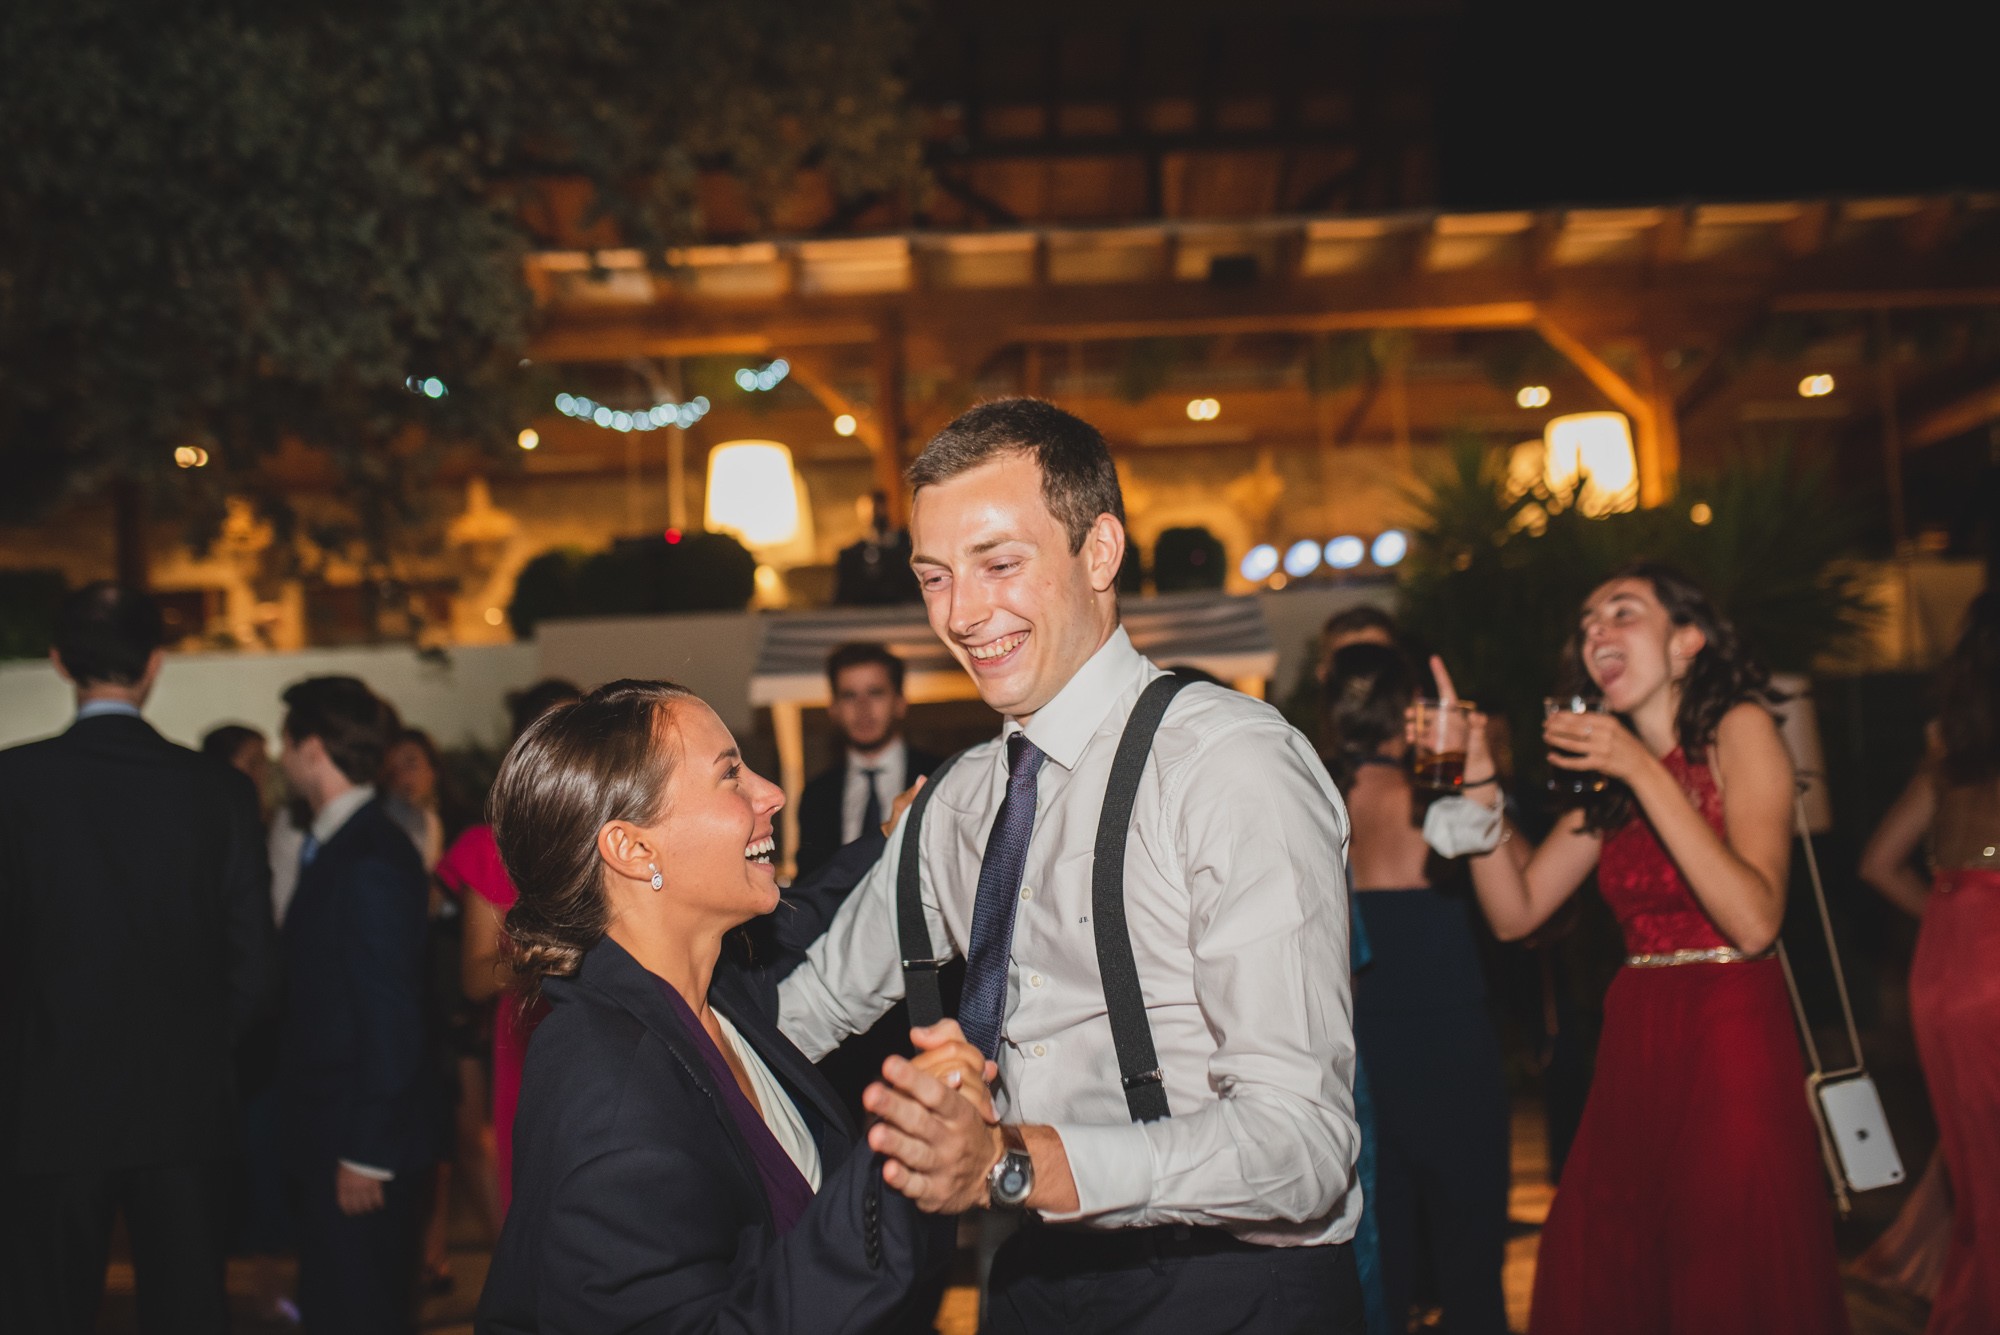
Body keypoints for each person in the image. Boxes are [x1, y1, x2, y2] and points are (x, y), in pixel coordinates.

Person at [779, 398, 1365, 1333]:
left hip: (1233, 1284)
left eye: (999, 563)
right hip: (1028, 1281)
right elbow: (808, 1012)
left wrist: (1013, 1161)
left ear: (1099, 552)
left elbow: (1304, 1147)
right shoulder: (958, 803)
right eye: (936, 577)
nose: (962, 615)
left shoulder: (1229, 764)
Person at [475, 680, 997, 1332]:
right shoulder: (609, 1093)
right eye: (731, 775)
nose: (771, 792)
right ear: (634, 849)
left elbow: (813, 916)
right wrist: (900, 1160)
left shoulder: (715, 999)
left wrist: (903, 843)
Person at [1428, 562, 1848, 1335]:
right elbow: (1517, 911)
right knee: (1605, 1255)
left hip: (1729, 1033)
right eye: (1587, 621)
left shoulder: (1741, 728)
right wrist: (1480, 781)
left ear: (1687, 640)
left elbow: (1755, 921)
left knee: (1725, 1269)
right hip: (1636, 1041)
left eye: (1623, 612)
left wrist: (1635, 766)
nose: (1597, 631)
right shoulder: (1613, 784)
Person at [0, 582, 277, 1333]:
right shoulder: (217, 791)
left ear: (59, 662)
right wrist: (197, 1052)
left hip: (46, 1110)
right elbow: (254, 968)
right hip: (183, 1106)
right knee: (188, 1310)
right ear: (155, 664)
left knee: (41, 1314)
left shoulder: (13, 784)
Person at [1324, 642, 1509, 1334]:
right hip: (1451, 1039)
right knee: (1469, 1247)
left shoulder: (1319, 798)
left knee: (1382, 1244)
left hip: (1365, 1040)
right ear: (1410, 716)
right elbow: (1492, 860)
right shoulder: (1438, 791)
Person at [277, 675, 441, 1334]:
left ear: (311, 747)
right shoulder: (348, 844)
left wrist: (367, 1149)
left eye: (287, 742)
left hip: (361, 1146)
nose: (282, 758)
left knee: (359, 1311)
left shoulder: (367, 855)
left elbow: (391, 1011)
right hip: (337, 1131)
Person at [1859, 590, 2000, 1334]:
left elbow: (1880, 862)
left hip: (1944, 971)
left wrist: (1954, 918)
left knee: (1979, 1178)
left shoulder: (1948, 745)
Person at [445, 677, 582, 1220]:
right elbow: (476, 977)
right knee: (537, 1200)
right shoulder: (492, 846)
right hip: (531, 1034)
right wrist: (542, 958)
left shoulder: (620, 833)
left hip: (621, 1025)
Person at [796, 642, 942, 879]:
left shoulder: (938, 776)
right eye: (849, 695)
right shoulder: (816, 794)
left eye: (875, 692)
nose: (863, 708)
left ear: (900, 703)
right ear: (833, 708)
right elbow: (809, 883)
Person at [834, 489, 921, 606]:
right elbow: (843, 597)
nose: (877, 513)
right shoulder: (852, 555)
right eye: (871, 509)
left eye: (881, 507)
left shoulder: (908, 546)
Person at [381, 727, 446, 871]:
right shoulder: (383, 820)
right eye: (394, 769)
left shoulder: (459, 826)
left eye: (411, 764)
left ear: (433, 769)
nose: (402, 777)